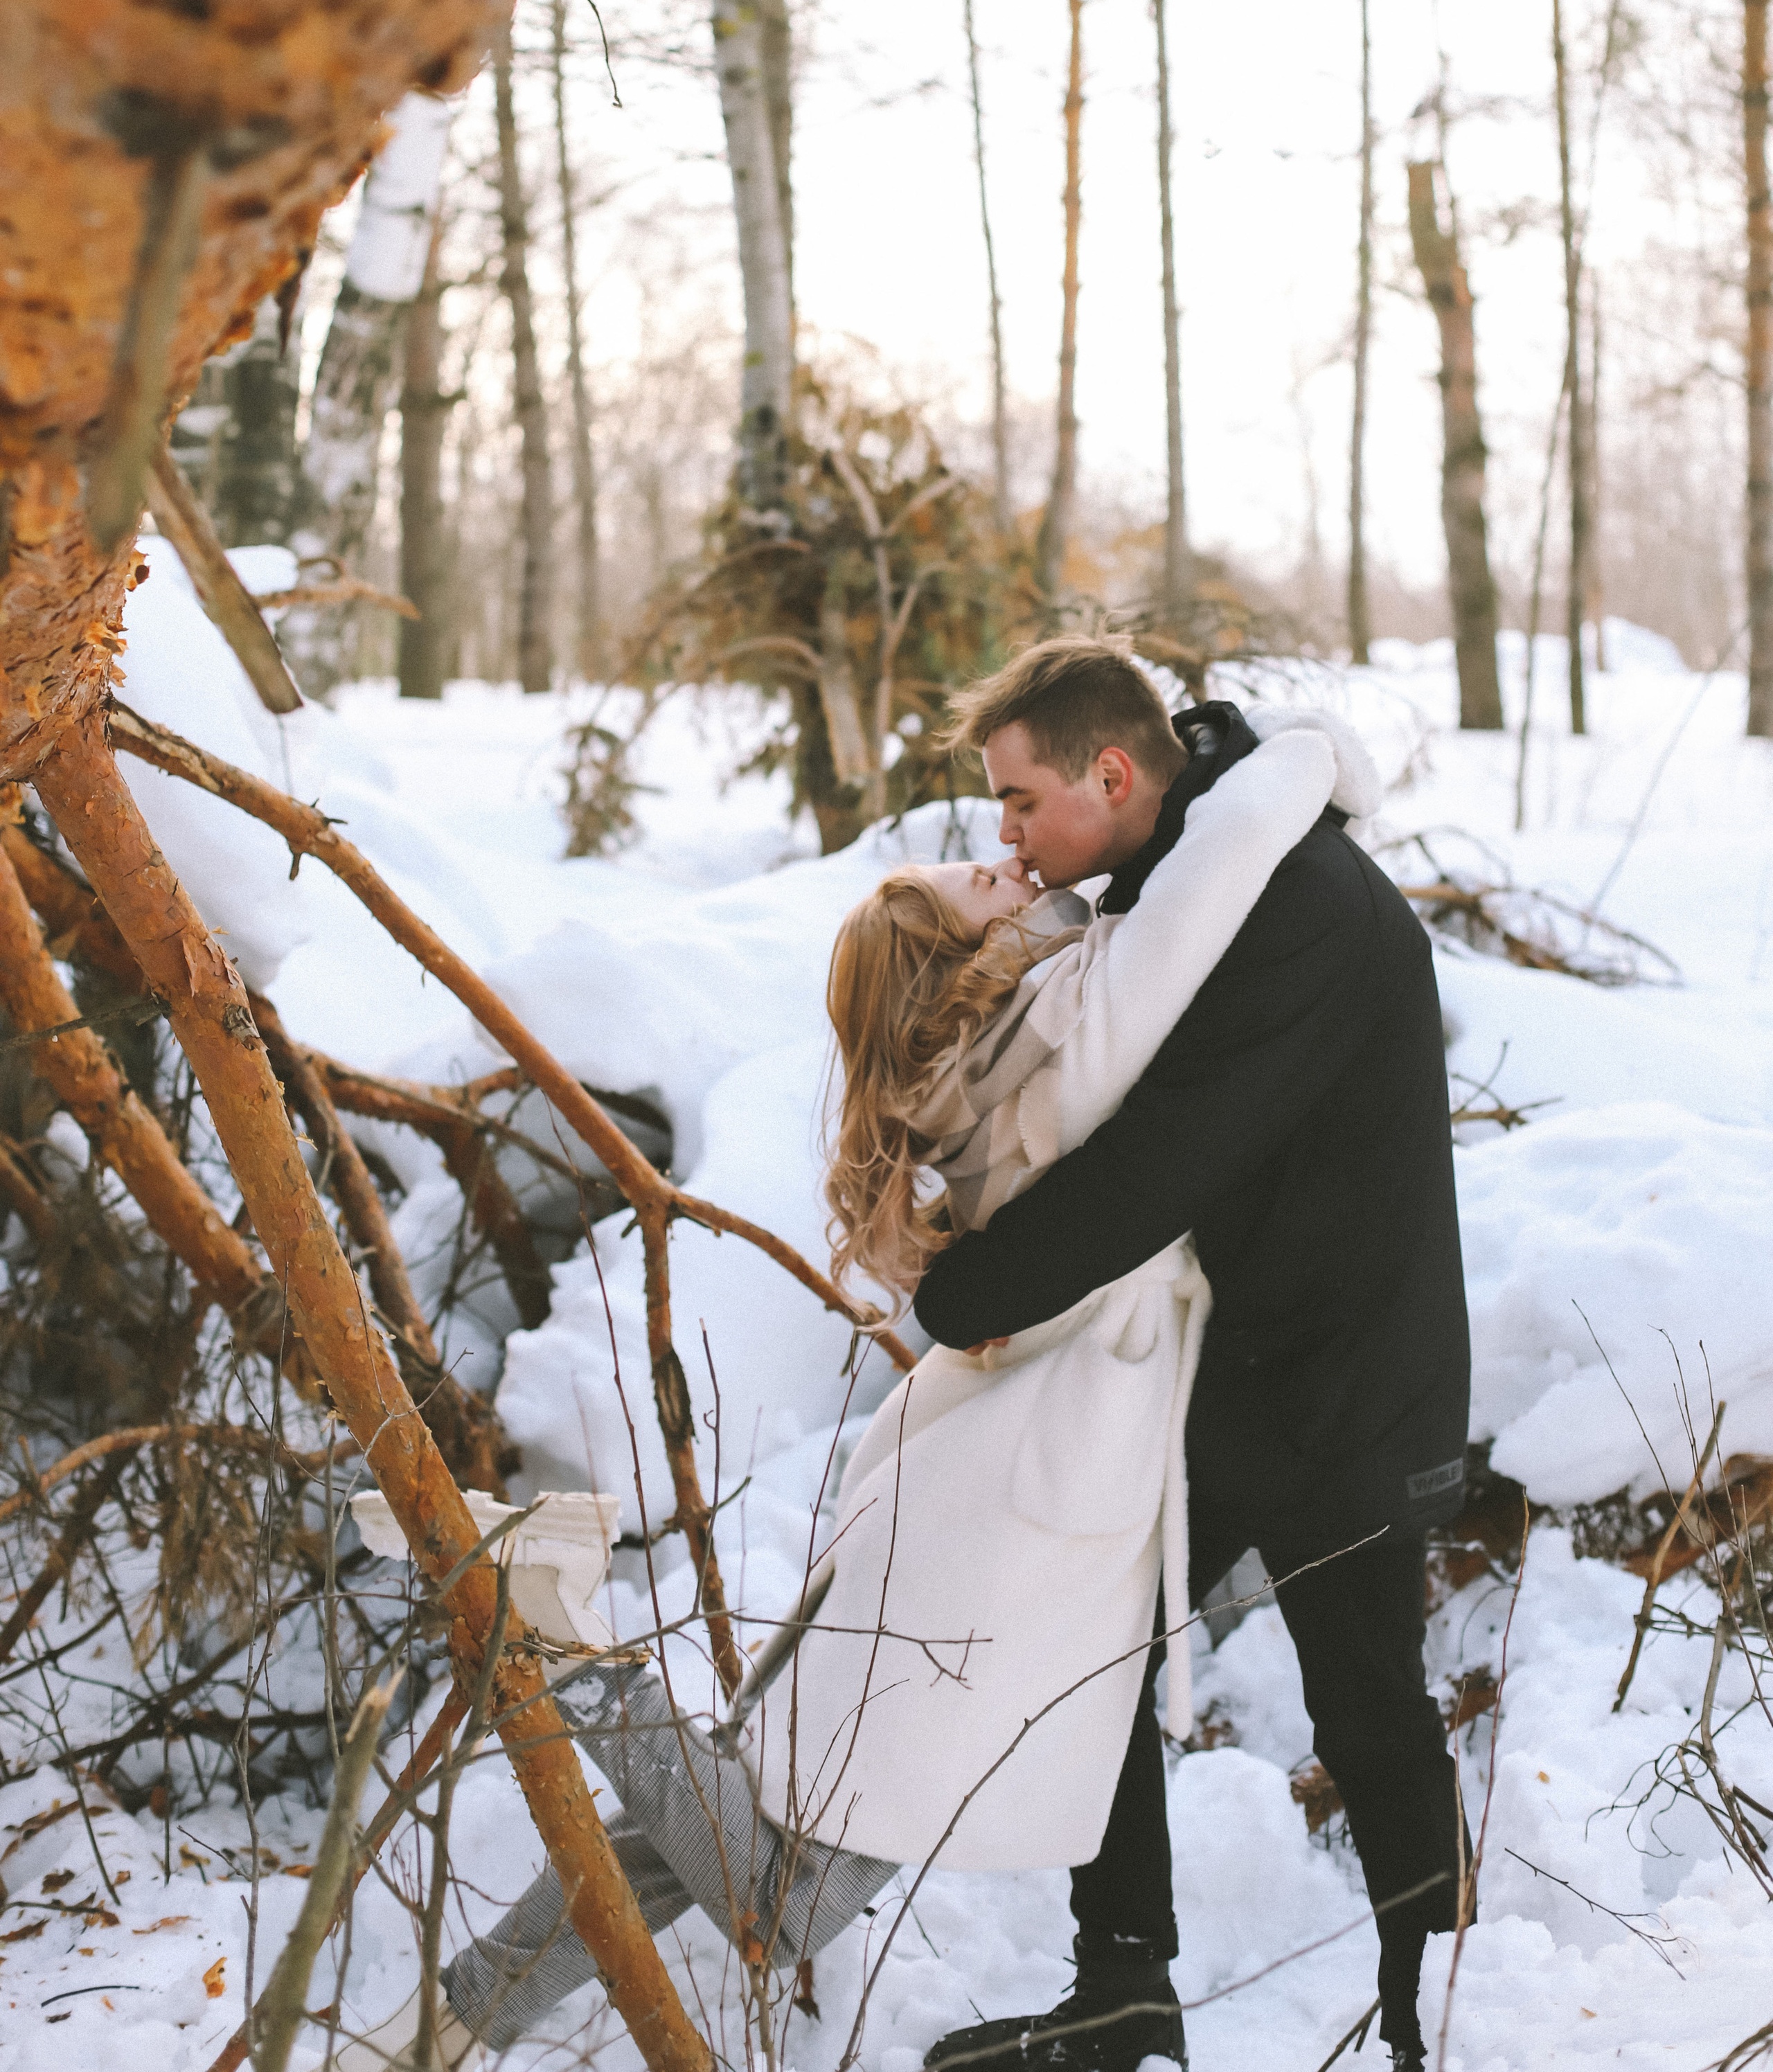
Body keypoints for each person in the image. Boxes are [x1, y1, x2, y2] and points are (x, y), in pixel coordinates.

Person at [337, 653, 1371, 2071]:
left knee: (713, 1842)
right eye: (988, 888)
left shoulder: (986, 1062)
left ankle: (440, 2022)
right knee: (782, 1894)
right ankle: (561, 1632)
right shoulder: (1067, 1041)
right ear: (968, 971)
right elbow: (1221, 870)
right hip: (1014, 1513)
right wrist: (1292, 750)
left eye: (1007, 846)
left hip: (968, 1478)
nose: (1014, 864)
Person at [911, 638, 1472, 2072]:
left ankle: (1438, 2014)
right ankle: (1119, 1995)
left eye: (1021, 800)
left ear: (1111, 772)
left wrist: (966, 1288)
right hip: (1242, 1363)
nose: (1007, 834)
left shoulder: (1289, 901)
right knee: (1099, 1649)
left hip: (1353, 1383)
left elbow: (1165, 1152)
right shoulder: (1187, 874)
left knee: (1364, 1704)